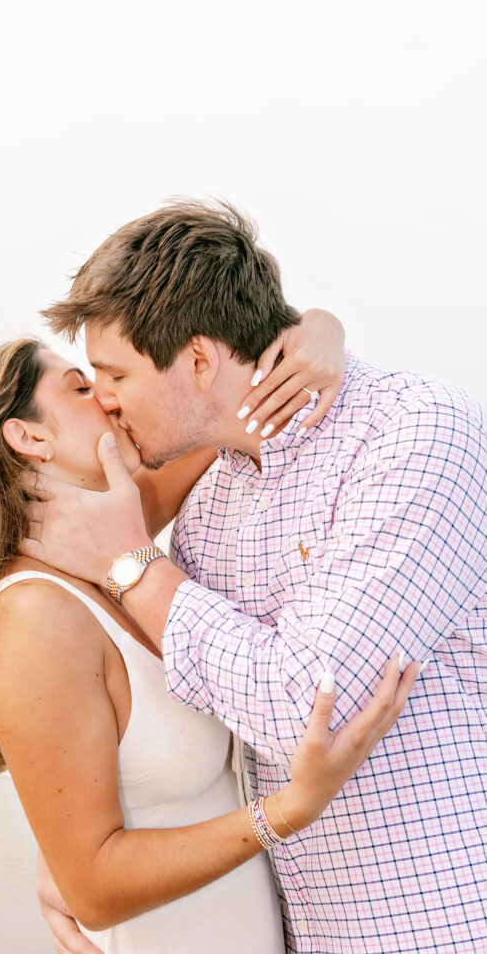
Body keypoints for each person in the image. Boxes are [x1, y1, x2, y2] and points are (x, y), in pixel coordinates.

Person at [32, 200, 487, 953]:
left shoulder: (413, 433)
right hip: (296, 929)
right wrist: (79, 853)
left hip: (442, 922)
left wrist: (131, 565)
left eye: (113, 373)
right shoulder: (211, 504)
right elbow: (209, 724)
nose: (104, 398)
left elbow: (312, 708)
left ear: (200, 359)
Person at [0, 326, 419, 954]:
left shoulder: (105, 556)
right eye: (80, 386)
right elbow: (94, 888)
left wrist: (318, 330)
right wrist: (287, 811)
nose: (106, 396)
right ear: (29, 437)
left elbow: (219, 416)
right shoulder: (34, 617)